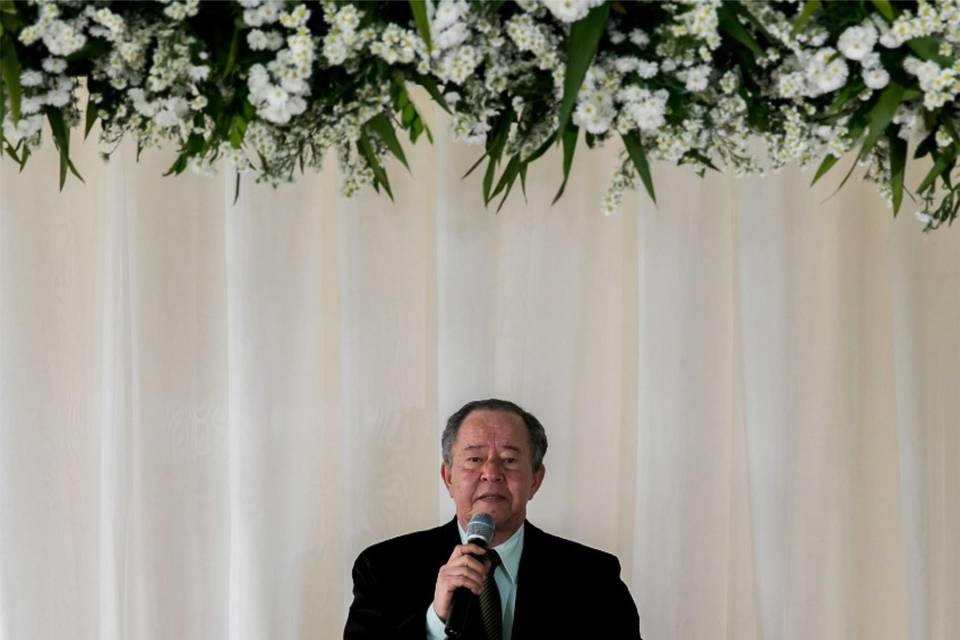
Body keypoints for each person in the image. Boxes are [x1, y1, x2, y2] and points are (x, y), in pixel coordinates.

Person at [343, 398, 642, 639]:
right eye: (474, 459)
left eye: (510, 460)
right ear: (448, 477)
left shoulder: (594, 578)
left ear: (535, 480)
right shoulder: (383, 568)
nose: (491, 473)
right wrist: (436, 622)